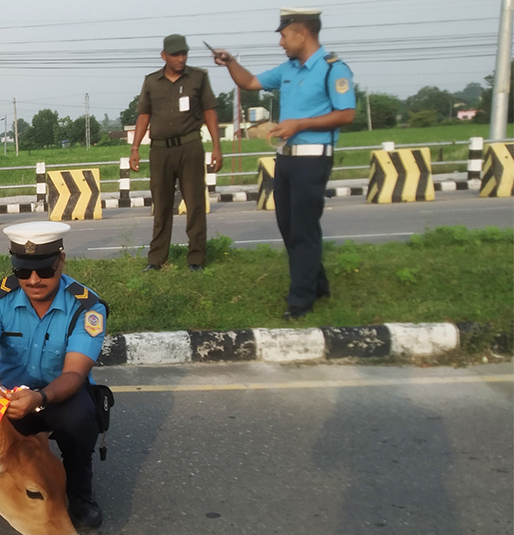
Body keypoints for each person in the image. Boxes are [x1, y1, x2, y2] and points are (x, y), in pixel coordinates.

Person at [211, 8, 355, 319]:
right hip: (286, 160)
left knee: (303, 230)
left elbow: (346, 114)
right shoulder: (289, 69)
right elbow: (249, 82)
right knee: (290, 228)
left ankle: (300, 301)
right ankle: (318, 285)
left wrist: (299, 125)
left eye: (283, 35)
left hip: (313, 160)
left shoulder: (333, 69)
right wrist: (230, 63)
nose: (281, 42)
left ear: (302, 33)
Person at [0, 221, 107, 530]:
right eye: (23, 271)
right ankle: (15, 490)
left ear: (61, 261)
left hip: (61, 395)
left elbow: (74, 373)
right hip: (13, 397)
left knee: (79, 420)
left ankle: (81, 495)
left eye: (44, 270)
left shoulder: (87, 307)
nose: (33, 280)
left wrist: (40, 398)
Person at [131, 33, 223, 273]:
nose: (181, 58)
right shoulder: (152, 82)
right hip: (160, 150)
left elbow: (210, 111)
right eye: (175, 54)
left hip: (190, 147)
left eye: (184, 53)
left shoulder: (198, 78)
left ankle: (196, 259)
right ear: (164, 56)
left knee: (194, 205)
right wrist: (134, 149)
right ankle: (156, 259)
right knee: (161, 206)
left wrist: (216, 147)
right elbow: (143, 115)